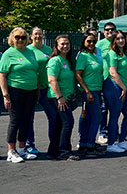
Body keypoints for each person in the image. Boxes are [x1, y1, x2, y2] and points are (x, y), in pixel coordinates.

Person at [0, 27, 39, 163]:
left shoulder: (30, 52)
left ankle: (22, 149)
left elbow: (35, 71)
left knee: (26, 120)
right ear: (12, 38)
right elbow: (3, 76)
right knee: (15, 120)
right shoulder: (8, 54)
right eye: (17, 37)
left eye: (23, 37)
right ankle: (11, 151)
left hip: (31, 91)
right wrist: (6, 95)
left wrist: (37, 90)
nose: (20, 40)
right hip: (15, 90)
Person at [47, 35, 79, 160]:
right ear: (57, 46)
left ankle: (53, 151)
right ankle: (65, 151)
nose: (65, 46)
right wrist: (60, 97)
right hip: (58, 98)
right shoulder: (54, 61)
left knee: (59, 124)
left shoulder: (67, 61)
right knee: (68, 123)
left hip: (67, 97)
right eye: (62, 44)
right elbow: (52, 80)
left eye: (67, 44)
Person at [103, 30, 127, 153]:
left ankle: (121, 141)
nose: (121, 40)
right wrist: (123, 87)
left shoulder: (126, 54)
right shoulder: (112, 54)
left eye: (122, 38)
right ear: (114, 41)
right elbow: (112, 72)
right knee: (114, 116)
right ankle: (111, 143)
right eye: (118, 38)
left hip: (124, 88)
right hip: (114, 87)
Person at [75, 33, 103, 156]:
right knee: (96, 118)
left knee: (89, 119)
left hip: (97, 90)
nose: (91, 44)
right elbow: (78, 74)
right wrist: (87, 91)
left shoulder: (94, 55)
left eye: (93, 41)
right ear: (84, 42)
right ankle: (90, 145)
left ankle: (84, 144)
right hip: (89, 92)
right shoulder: (83, 56)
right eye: (89, 41)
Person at [26, 26, 53, 155]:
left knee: (53, 116)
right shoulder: (27, 50)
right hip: (31, 89)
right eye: (35, 34)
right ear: (31, 36)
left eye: (40, 34)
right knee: (29, 118)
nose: (38, 36)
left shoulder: (48, 50)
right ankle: (29, 144)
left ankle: (54, 144)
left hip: (46, 89)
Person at [96, 22, 116, 144]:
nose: (109, 31)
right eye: (107, 30)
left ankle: (113, 131)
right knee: (103, 108)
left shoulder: (118, 42)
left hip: (116, 81)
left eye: (112, 29)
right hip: (103, 79)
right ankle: (102, 132)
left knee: (114, 107)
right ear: (104, 32)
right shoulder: (99, 44)